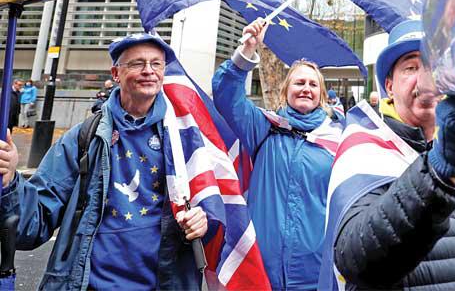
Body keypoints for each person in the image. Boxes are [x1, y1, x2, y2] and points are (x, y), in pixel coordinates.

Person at [0, 32, 208, 290]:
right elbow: (34, 224)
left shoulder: (182, 139)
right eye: (137, 63)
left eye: (156, 64)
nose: (148, 71)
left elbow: (209, 206)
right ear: (115, 73)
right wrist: (10, 180)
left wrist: (203, 220)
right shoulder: (82, 138)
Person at [332, 19, 455, 289]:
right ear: (389, 86)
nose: (426, 79)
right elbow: (354, 259)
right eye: (411, 68)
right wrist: (438, 172)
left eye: (434, 67)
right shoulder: (364, 147)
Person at [212, 20, 339, 290]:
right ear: (285, 91)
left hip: (315, 272)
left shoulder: (337, 140)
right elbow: (225, 96)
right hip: (261, 269)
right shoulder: (264, 128)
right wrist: (247, 50)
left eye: (313, 84)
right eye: (299, 82)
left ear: (321, 95)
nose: (306, 88)